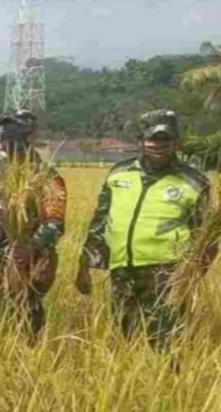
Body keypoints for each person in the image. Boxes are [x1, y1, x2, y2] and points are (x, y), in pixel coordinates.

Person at [77, 109, 213, 352]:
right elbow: (100, 221)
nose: (157, 145)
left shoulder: (194, 182)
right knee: (123, 337)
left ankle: (169, 385)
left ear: (176, 141)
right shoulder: (119, 174)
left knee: (165, 343)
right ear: (140, 140)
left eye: (165, 139)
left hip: (167, 273)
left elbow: (206, 236)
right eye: (151, 139)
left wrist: (192, 275)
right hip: (122, 270)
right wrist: (85, 265)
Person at [0, 110, 66, 337]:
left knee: (23, 326)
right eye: (5, 133)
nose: (8, 139)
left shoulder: (45, 176)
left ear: (29, 137)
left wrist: (30, 248)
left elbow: (54, 223)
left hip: (24, 266)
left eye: (15, 133)